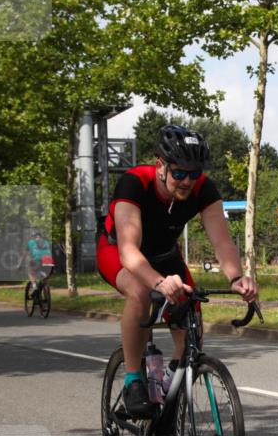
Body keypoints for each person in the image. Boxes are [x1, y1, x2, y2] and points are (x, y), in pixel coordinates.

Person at [97, 124, 258, 418]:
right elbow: (129, 251)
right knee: (141, 292)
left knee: (192, 314)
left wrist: (237, 278)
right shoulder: (134, 183)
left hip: (166, 256)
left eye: (193, 174)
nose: (186, 181)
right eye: (179, 173)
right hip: (119, 253)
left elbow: (222, 242)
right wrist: (159, 282)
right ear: (161, 165)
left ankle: (169, 394)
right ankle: (134, 380)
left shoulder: (203, 189)